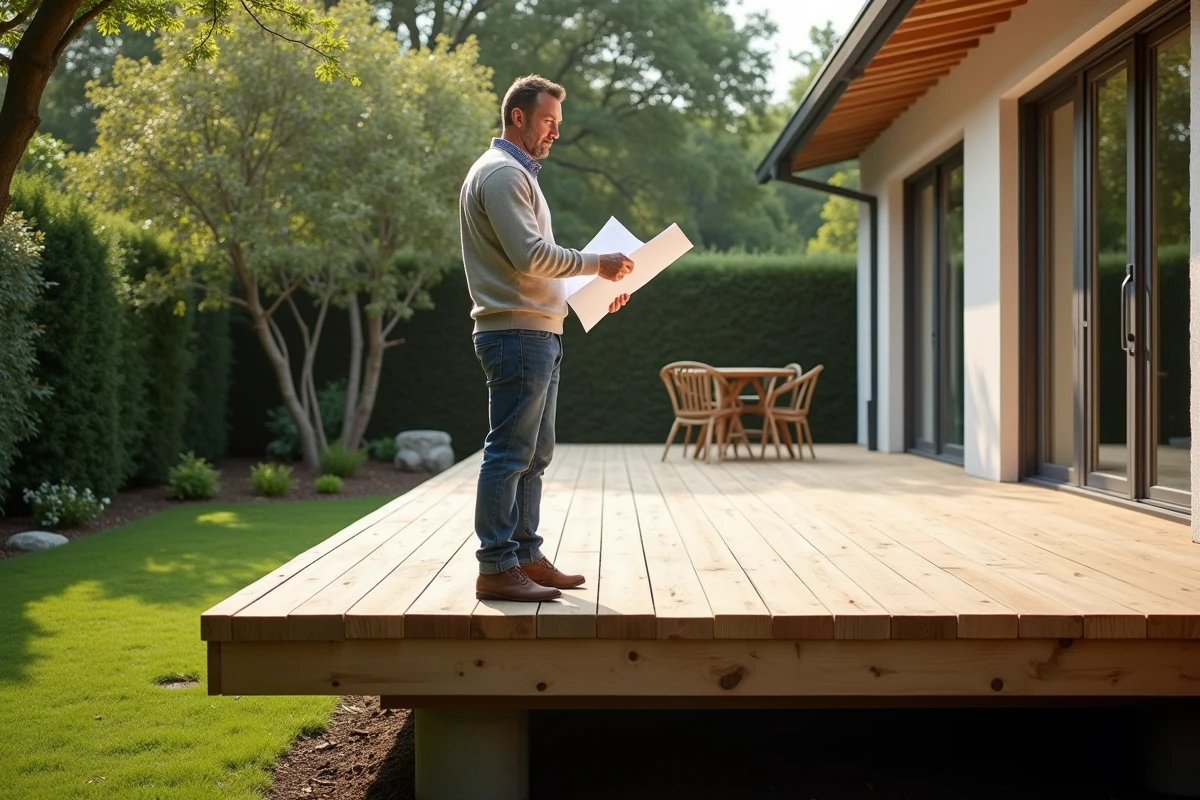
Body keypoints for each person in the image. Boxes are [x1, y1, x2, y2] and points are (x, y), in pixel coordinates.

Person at [459, 74, 634, 602]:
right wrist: (597, 264)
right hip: (516, 335)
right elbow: (530, 257)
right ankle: (495, 566)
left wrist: (592, 289)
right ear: (519, 117)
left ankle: (526, 556)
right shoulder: (501, 174)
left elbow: (533, 272)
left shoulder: (516, 175)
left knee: (534, 456)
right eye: (549, 121)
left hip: (536, 332)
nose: (555, 132)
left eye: (558, 123)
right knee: (509, 454)